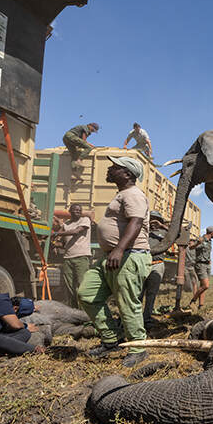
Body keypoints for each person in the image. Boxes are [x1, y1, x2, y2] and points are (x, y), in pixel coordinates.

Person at [78, 156, 151, 367]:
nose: (110, 169)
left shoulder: (134, 194)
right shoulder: (121, 194)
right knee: (87, 294)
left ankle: (138, 349)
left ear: (127, 173)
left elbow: (136, 222)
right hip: (110, 256)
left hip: (128, 255)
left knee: (127, 304)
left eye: (115, 167)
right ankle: (111, 339)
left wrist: (119, 249)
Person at [53, 203, 92, 308]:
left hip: (81, 257)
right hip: (68, 258)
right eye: (75, 210)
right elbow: (62, 242)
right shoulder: (66, 225)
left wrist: (56, 234)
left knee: (81, 285)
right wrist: (55, 245)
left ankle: (84, 311)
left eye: (79, 210)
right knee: (69, 286)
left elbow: (75, 232)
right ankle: (74, 309)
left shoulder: (85, 220)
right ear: (70, 212)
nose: (78, 211)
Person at [140, 211, 168, 325]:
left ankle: (146, 317)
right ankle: (135, 318)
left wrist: (162, 226)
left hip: (157, 264)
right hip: (143, 263)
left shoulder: (164, 233)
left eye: (155, 219)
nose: (153, 222)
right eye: (151, 219)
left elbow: (177, 235)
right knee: (138, 293)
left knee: (151, 293)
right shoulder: (144, 231)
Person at [189, 226, 213, 311]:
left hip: (207, 265)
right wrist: (197, 243)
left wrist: (209, 260)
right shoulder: (201, 239)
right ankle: (193, 301)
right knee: (206, 285)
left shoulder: (209, 242)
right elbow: (191, 247)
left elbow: (206, 252)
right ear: (212, 232)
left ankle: (201, 305)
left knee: (202, 286)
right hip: (200, 265)